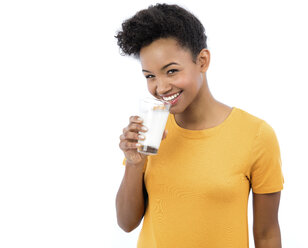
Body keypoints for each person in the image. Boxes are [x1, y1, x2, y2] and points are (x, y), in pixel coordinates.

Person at [115, 3, 284, 248]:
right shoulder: (150, 133)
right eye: (150, 76)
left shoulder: (255, 135)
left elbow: (267, 233)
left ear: (202, 60)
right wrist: (134, 162)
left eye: (171, 71)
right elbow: (126, 223)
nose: (160, 88)